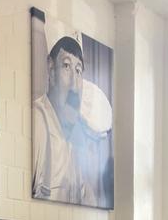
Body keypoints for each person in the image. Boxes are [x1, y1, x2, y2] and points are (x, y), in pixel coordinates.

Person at [32, 20, 112, 207]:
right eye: (66, 66)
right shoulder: (38, 122)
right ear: (51, 69)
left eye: (78, 70)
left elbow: (84, 196)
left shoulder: (74, 136)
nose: (74, 85)